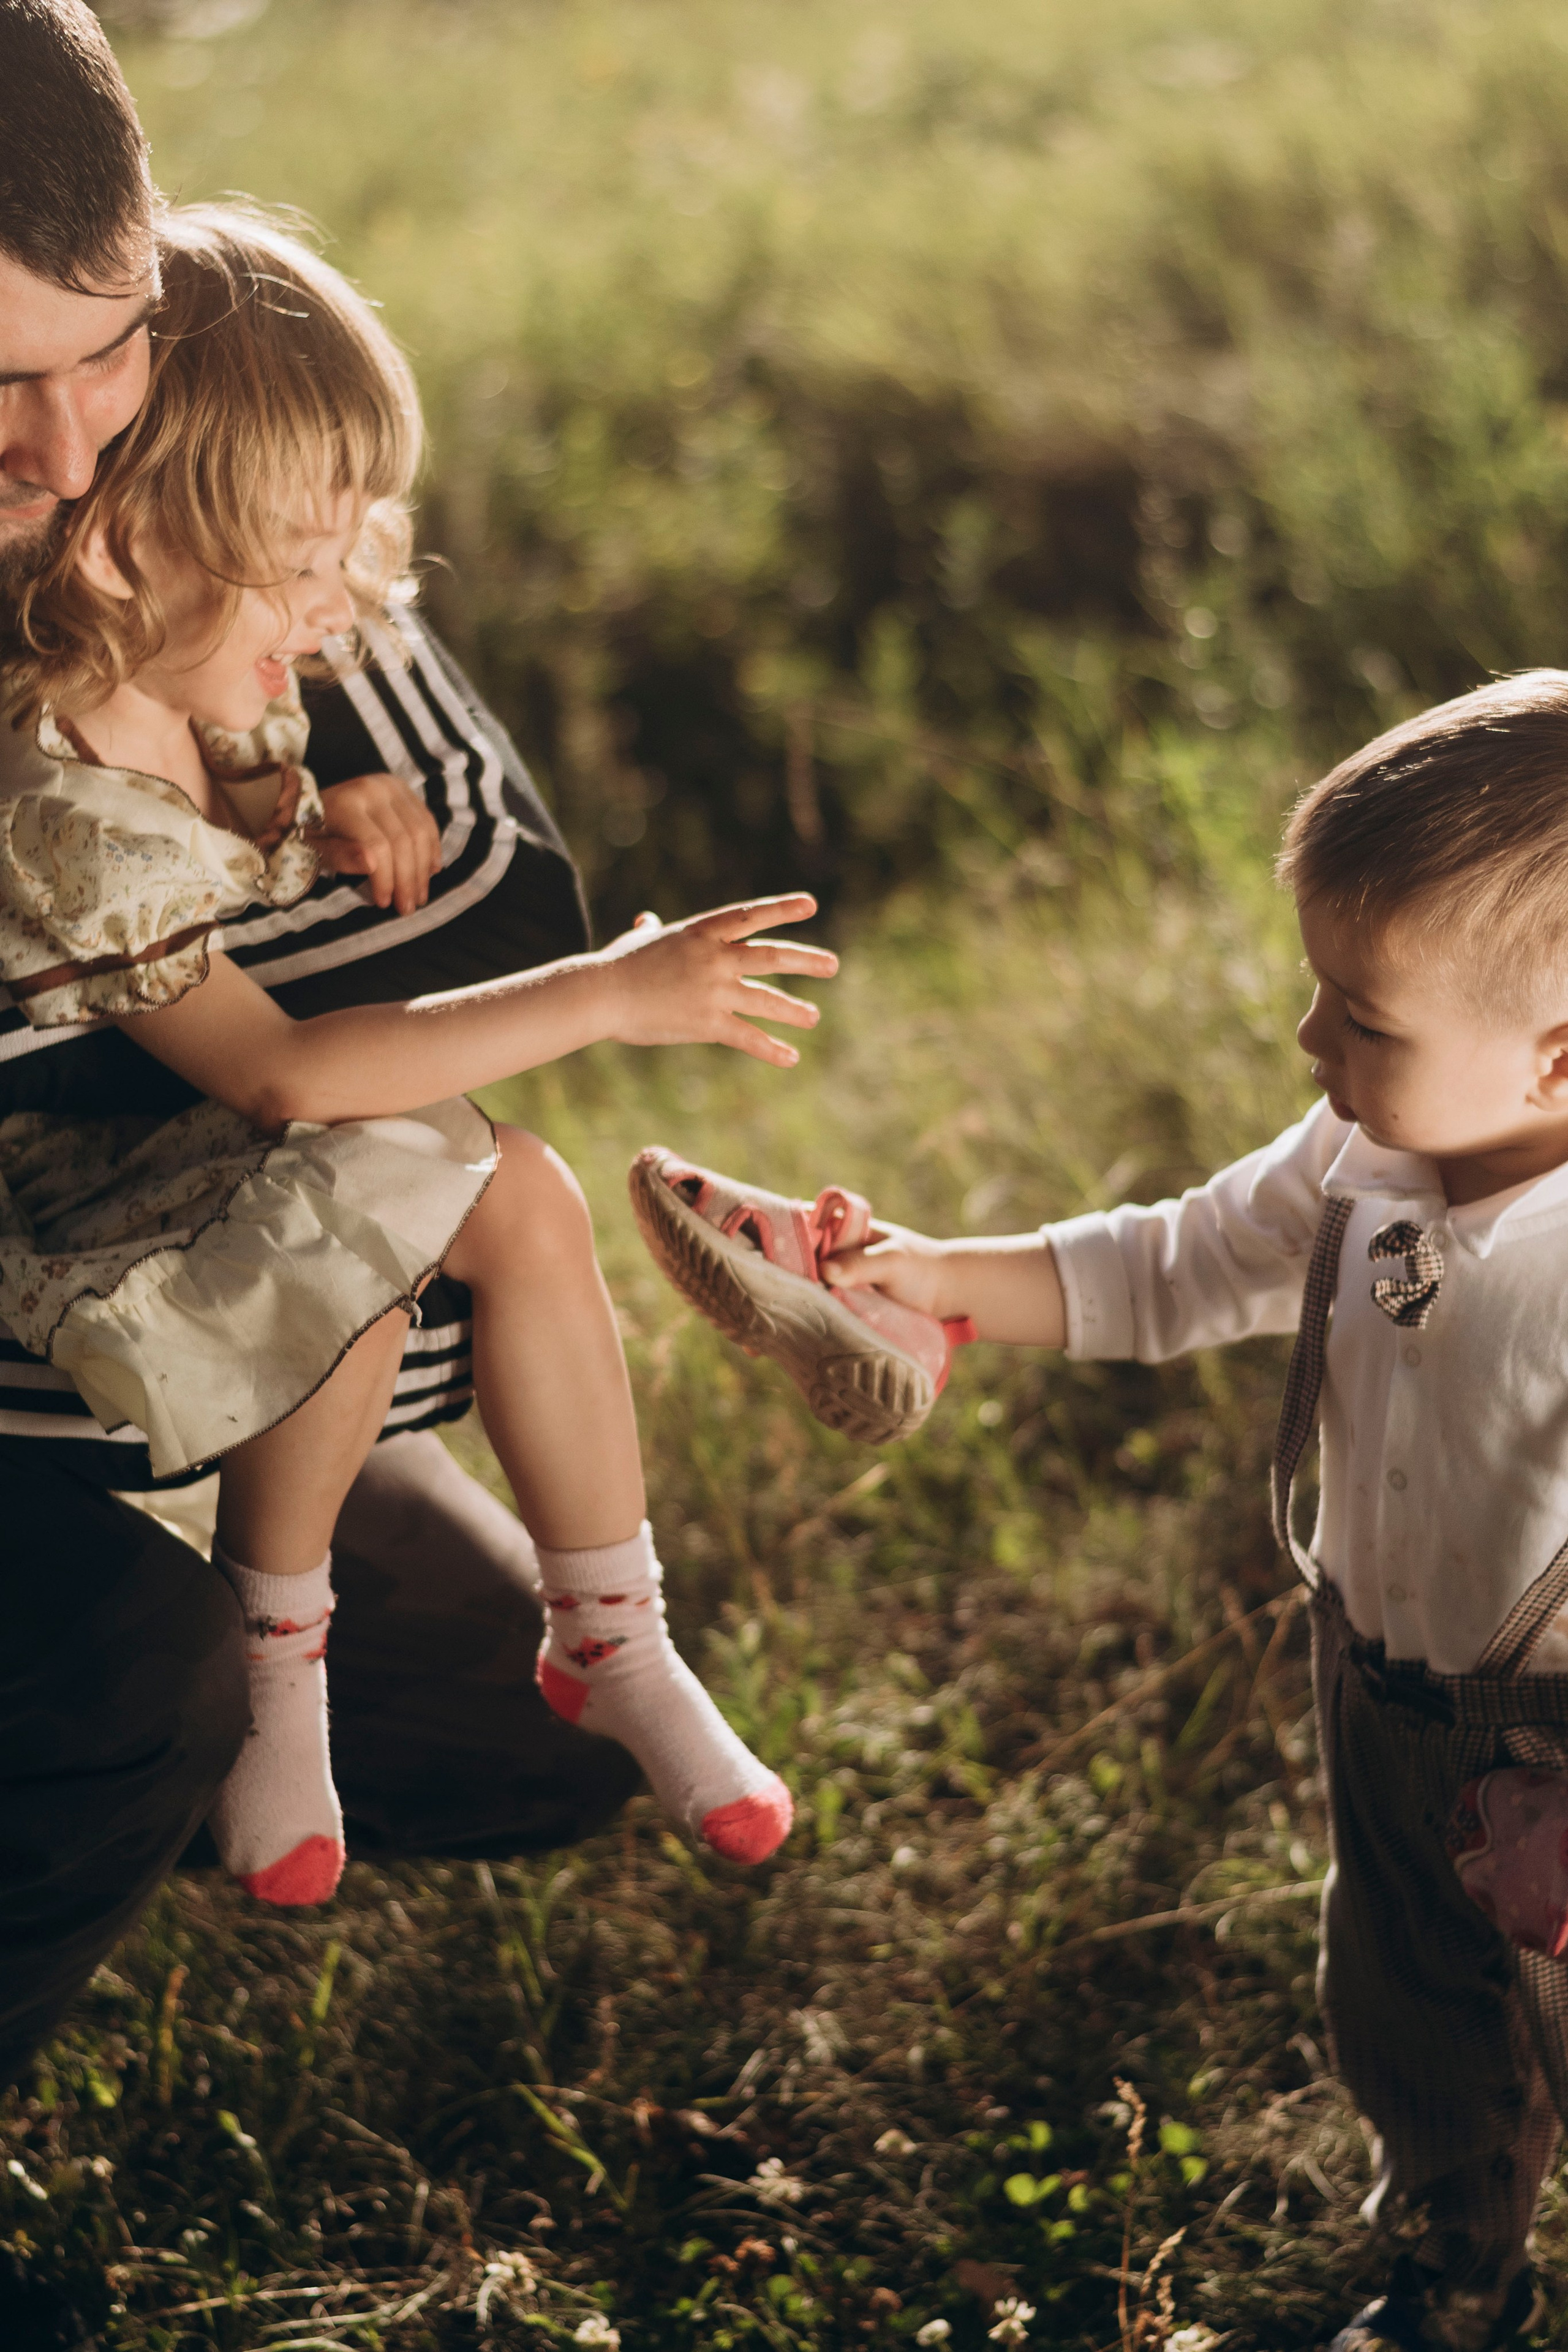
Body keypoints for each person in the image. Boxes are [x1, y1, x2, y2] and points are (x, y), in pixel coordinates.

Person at [0, 20, 804, 2293]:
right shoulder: (91, 680)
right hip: (67, 1320)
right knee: (113, 1698)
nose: (68, 453)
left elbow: (496, 896)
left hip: (213, 1228)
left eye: (101, 354)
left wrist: (305, 821)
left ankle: (530, 1647)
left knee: (490, 1718)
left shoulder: (213, 450)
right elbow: (295, 1054)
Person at [639, 673, 1568, 2351]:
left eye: (1362, 1018)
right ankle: (1457, 2266)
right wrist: (926, 1279)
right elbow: (1174, 1261)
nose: (1311, 1044)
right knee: (1411, 2006)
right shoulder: (1357, 1157)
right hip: (1383, 1700)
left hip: (1561, 1735)